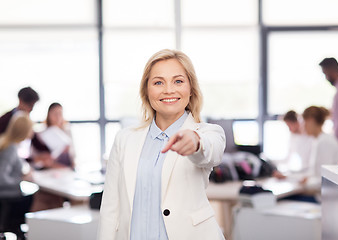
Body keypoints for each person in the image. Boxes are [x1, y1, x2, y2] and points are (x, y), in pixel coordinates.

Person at [98, 49, 226, 240]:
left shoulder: (207, 133)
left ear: (190, 89)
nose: (168, 90)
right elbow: (110, 209)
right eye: (158, 82)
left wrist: (195, 142)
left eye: (178, 81)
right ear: (146, 91)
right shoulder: (124, 139)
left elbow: (211, 151)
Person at [0, 113, 34, 240]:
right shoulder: (11, 148)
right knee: (37, 199)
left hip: (5, 197)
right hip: (8, 197)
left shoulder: (5, 142)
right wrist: (21, 179)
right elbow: (1, 178)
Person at [302, 106, 338, 187]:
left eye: (304, 122)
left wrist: (306, 182)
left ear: (311, 121)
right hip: (322, 191)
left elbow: (325, 179)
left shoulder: (324, 142)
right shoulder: (318, 140)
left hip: (326, 194)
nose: (303, 126)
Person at [34, 102, 75, 168]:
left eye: (60, 114)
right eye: (55, 114)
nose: (58, 117)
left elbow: (73, 155)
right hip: (48, 169)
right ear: (49, 115)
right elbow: (35, 157)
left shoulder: (67, 131)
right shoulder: (41, 133)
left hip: (66, 168)